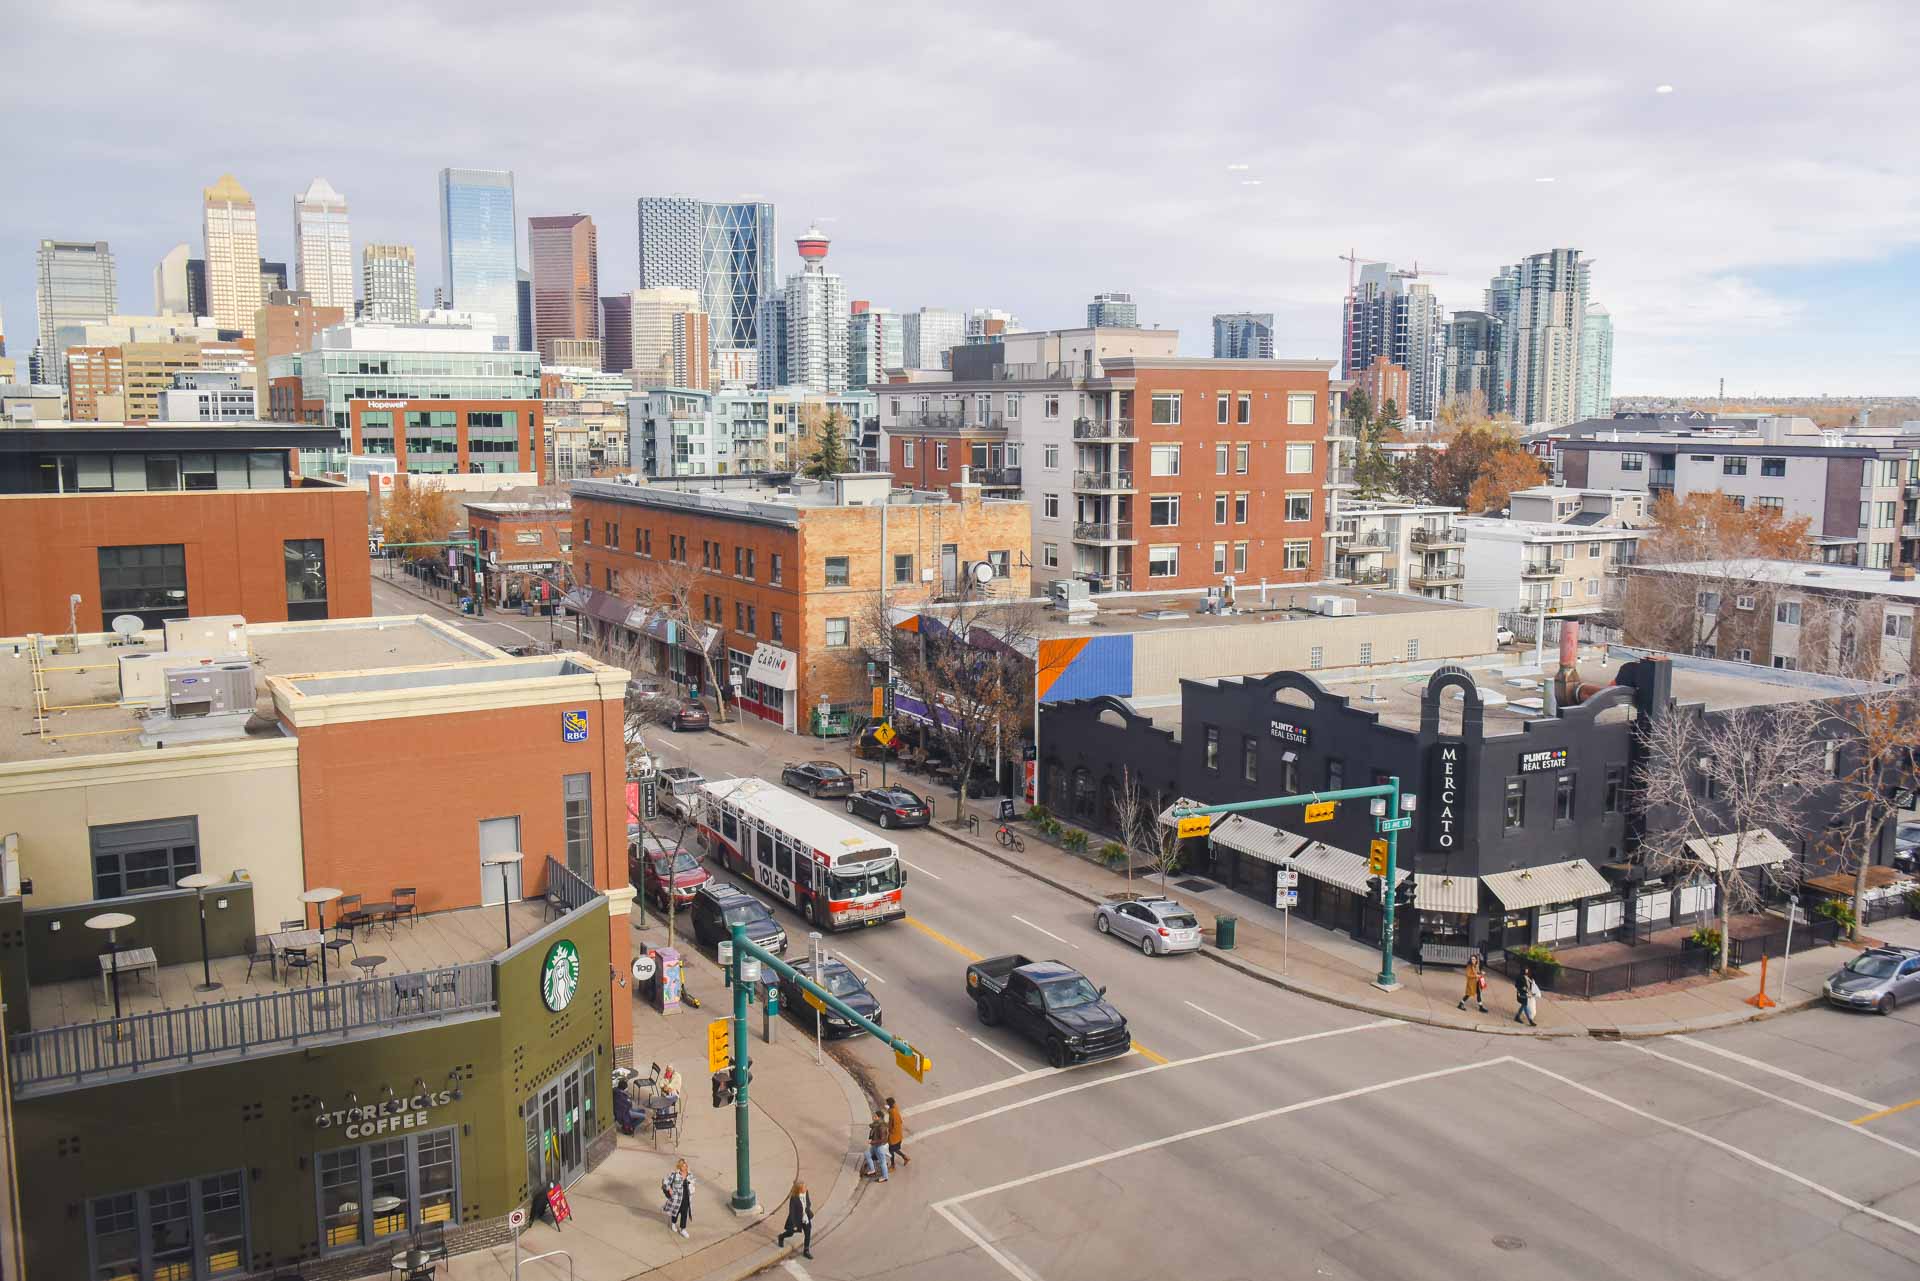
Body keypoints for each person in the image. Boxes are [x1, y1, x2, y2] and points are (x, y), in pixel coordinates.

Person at [776, 1180, 814, 1259]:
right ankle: (781, 1237)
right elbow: (792, 1211)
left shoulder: (806, 1192)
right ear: (799, 1189)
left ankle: (806, 1250)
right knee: (790, 1233)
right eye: (804, 1187)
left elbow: (808, 1202)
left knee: (808, 1232)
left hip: (805, 1217)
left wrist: (807, 1210)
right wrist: (793, 1224)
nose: (806, 1188)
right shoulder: (794, 1198)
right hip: (797, 1219)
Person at [662, 1157, 694, 1238]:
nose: (685, 1167)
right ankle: (673, 1223)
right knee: (675, 1212)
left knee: (684, 1213)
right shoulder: (674, 1174)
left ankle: (683, 1229)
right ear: (679, 1167)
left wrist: (692, 1187)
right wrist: (669, 1188)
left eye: (686, 1165)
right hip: (676, 1199)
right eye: (683, 1166)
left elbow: (693, 1183)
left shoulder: (690, 1175)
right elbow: (665, 1181)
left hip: (686, 1198)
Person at [862, 1111, 891, 1181]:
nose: (873, 1117)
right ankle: (872, 1170)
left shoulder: (881, 1127)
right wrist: (871, 1139)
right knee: (867, 1154)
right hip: (874, 1145)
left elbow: (883, 1139)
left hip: (879, 1147)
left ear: (879, 1117)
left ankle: (885, 1177)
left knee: (882, 1162)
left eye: (875, 1116)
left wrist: (872, 1141)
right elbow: (872, 1131)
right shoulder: (876, 1124)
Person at [886, 1096, 911, 1166]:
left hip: (894, 1137)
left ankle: (893, 1166)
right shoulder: (894, 1109)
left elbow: (893, 1126)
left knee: (891, 1150)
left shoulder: (893, 1113)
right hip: (897, 1136)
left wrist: (888, 1130)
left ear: (889, 1104)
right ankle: (905, 1157)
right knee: (894, 1149)